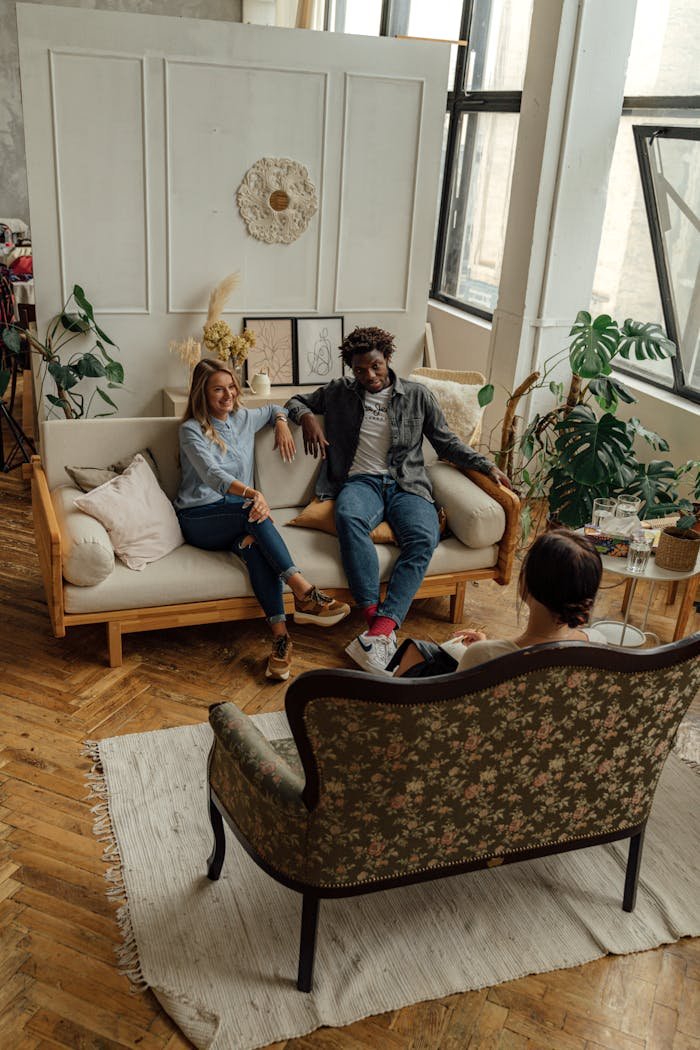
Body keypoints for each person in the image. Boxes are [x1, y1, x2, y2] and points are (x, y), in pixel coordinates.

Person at [284, 326, 511, 673]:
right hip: (360, 482)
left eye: (375, 366)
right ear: (352, 370)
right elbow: (294, 401)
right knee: (349, 518)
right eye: (360, 370)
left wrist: (486, 465)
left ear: (387, 359)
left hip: (406, 484)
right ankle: (375, 620)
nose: (369, 376)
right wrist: (308, 419)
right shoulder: (340, 392)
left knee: (423, 537)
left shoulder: (418, 396)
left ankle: (382, 630)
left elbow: (446, 442)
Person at [174, 358, 350, 681]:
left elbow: (271, 409)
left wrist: (282, 420)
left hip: (238, 519)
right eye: (218, 389)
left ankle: (281, 639)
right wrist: (253, 494)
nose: (227, 395)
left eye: (231, 387)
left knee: (253, 546)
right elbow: (212, 476)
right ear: (202, 393)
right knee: (251, 510)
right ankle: (303, 591)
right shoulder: (190, 430)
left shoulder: (242, 418)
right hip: (199, 517)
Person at [389, 530, 606, 678]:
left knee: (416, 656)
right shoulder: (597, 645)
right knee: (421, 652)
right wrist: (489, 645)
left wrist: (486, 649)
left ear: (525, 584)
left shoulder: (483, 656)